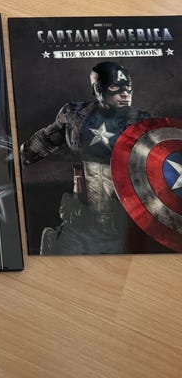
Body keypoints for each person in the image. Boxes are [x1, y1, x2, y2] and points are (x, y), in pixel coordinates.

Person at [20, 61, 150, 254]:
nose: (125, 93)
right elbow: (42, 143)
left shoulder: (144, 122)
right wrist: (10, 163)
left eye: (128, 87)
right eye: (115, 87)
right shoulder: (75, 115)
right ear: (98, 89)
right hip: (80, 214)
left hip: (125, 215)